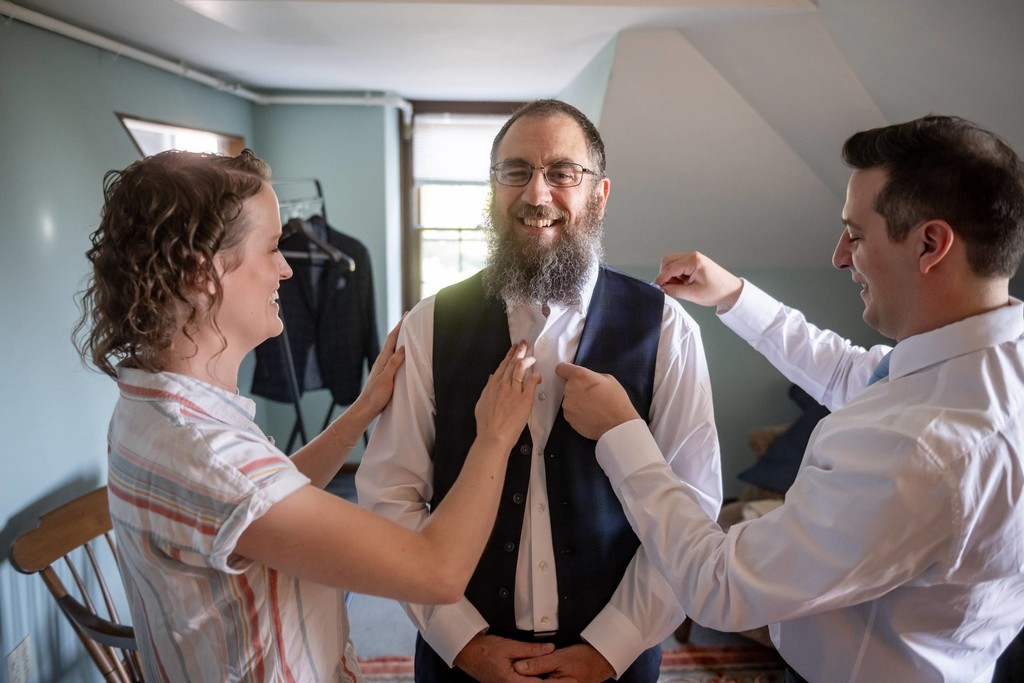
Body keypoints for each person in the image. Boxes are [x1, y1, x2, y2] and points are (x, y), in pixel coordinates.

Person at [556, 115, 1024, 682]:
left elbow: (721, 586)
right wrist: (734, 297)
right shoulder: (984, 364)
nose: (839, 256)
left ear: (931, 244)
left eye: (855, 234)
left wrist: (621, 435)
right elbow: (858, 375)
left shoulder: (923, 450)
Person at [73, 148, 542, 682]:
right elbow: (437, 572)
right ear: (203, 273)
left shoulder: (152, 406)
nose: (286, 267)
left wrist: (361, 412)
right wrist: (496, 437)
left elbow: (268, 506)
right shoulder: (209, 454)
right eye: (272, 248)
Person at [356, 99, 722, 682]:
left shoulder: (667, 330)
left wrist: (612, 645)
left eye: (562, 173)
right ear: (493, 187)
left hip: (616, 664)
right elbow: (388, 496)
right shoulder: (428, 324)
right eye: (515, 171)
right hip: (460, 662)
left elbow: (692, 507)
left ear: (600, 195)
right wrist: (463, 639)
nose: (536, 194)